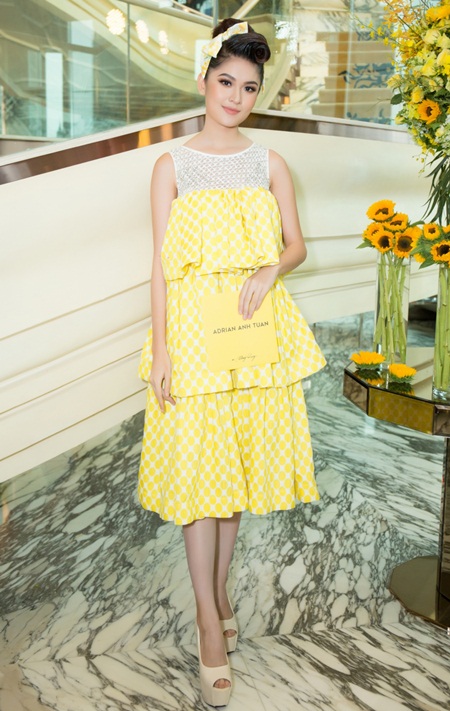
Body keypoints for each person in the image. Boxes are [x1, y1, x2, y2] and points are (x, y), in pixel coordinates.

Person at [137, 18, 326, 707]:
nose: (236, 96)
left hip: (252, 334)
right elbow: (161, 267)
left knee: (235, 471)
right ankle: (207, 623)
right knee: (200, 480)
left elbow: (296, 244)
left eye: (248, 87)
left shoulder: (269, 162)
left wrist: (271, 269)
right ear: (204, 80)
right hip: (192, 339)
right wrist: (161, 348)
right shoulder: (171, 167)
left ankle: (216, 593)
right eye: (226, 81)